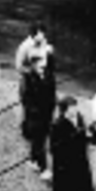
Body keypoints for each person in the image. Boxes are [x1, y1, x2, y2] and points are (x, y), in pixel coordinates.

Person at [49, 96, 96, 191]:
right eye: (72, 107)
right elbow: (54, 148)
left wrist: (90, 134)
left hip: (81, 161)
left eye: (76, 106)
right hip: (65, 165)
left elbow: (89, 137)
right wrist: (73, 137)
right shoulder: (57, 125)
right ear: (65, 110)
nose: (76, 109)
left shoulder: (80, 119)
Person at [19, 50, 56, 180]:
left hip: (46, 115)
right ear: (34, 65)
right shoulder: (28, 78)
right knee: (39, 142)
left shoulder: (47, 76)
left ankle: (33, 160)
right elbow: (25, 99)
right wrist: (34, 112)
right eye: (40, 66)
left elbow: (51, 95)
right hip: (35, 116)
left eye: (44, 65)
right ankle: (43, 168)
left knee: (39, 140)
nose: (43, 68)